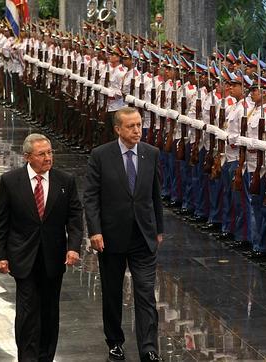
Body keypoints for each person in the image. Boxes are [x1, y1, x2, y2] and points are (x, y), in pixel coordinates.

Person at [0, 133, 83, 361]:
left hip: (53, 258)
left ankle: (46, 356)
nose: (47, 158)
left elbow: (74, 218)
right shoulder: (11, 181)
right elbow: (1, 221)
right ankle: (27, 357)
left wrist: (73, 247)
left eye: (50, 152)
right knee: (28, 311)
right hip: (23, 256)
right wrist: (0, 255)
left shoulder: (65, 181)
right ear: (27, 157)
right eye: (41, 154)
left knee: (50, 311)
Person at [84, 107, 164, 362]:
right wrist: (94, 230)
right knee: (112, 292)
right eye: (131, 126)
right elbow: (91, 197)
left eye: (139, 125)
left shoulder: (150, 153)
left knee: (145, 292)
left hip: (143, 236)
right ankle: (115, 341)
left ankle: (149, 348)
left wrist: (158, 229)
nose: (137, 130)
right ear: (118, 129)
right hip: (111, 236)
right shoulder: (101, 155)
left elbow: (155, 194)